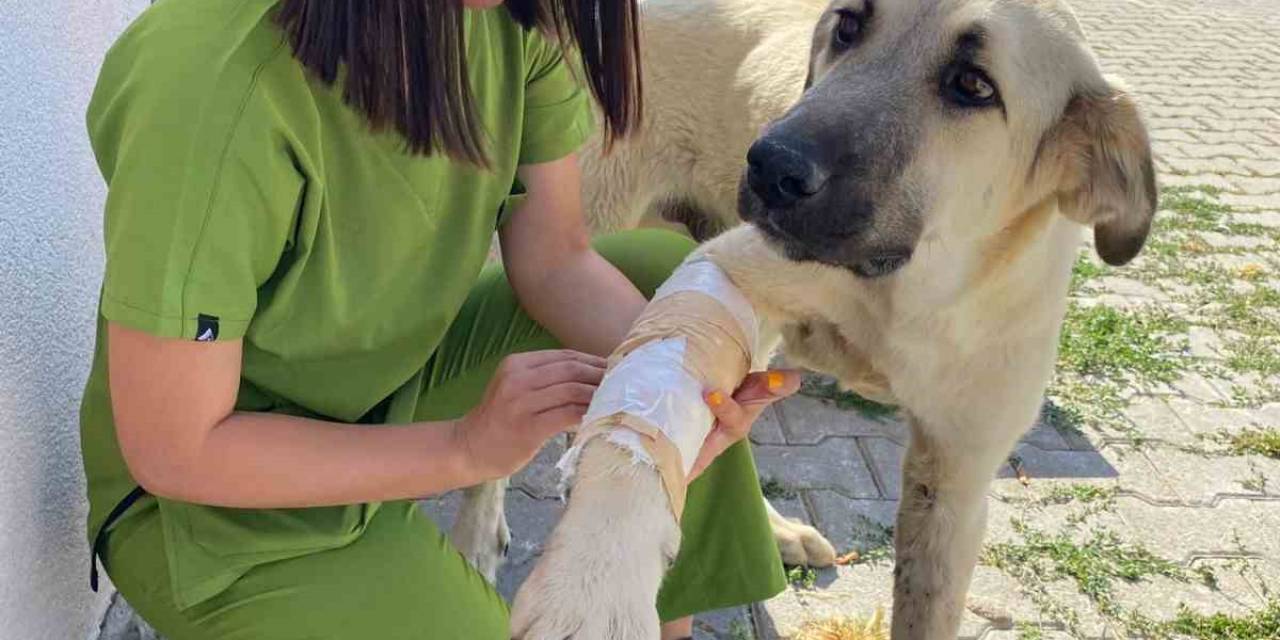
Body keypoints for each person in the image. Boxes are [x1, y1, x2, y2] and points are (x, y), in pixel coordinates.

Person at [80, 1, 797, 638]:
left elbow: (554, 261)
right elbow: (176, 452)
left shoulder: (510, 19)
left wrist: (671, 401)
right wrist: (461, 450)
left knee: (660, 298)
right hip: (210, 514)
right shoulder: (212, 84)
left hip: (383, 393)